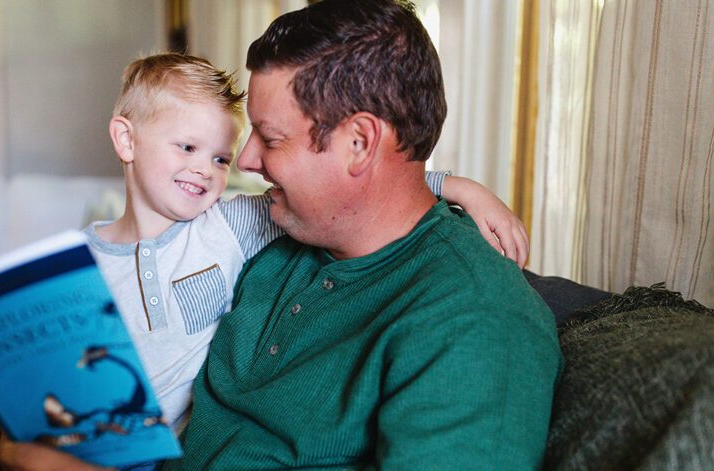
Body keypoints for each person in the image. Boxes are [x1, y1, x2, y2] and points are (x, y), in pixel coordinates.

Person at [0, 50, 526, 471]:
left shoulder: (229, 226)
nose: (214, 168)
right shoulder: (77, 263)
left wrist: (458, 186)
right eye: (186, 148)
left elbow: (384, 184)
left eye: (222, 155)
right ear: (126, 141)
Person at [165, 0, 561, 468]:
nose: (246, 160)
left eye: (270, 139)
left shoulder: (473, 319)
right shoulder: (274, 237)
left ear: (359, 144)